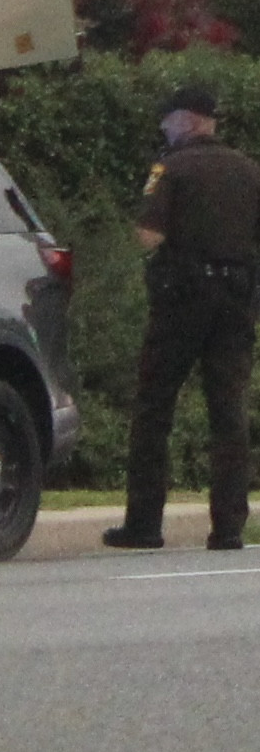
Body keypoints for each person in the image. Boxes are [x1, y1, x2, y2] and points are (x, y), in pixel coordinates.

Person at [104, 86, 260, 551]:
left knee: (155, 406)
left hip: (182, 300)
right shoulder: (250, 171)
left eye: (167, 120)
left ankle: (145, 524)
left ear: (188, 121)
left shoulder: (169, 168)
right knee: (229, 411)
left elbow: (148, 235)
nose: (163, 129)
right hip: (237, 300)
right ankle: (229, 527)